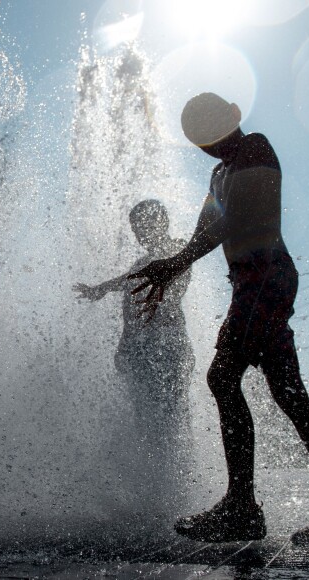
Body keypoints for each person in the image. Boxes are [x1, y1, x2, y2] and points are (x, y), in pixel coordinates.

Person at [128, 92, 309, 544]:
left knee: (223, 378)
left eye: (211, 129)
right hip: (250, 282)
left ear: (233, 116)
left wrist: (177, 263)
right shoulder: (218, 171)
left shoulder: (255, 148)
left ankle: (242, 508)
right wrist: (176, 262)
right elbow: (206, 227)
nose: (208, 144)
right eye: (198, 139)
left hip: (266, 275)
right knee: (290, 396)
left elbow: (237, 217)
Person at [74, 200, 193, 502]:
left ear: (161, 222)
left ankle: (175, 489)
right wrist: (101, 291)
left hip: (167, 347)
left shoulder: (178, 249)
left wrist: (106, 289)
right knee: (144, 416)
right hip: (140, 348)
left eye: (142, 227)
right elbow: (130, 294)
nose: (139, 235)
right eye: (135, 229)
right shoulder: (144, 261)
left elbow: (166, 288)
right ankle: (151, 488)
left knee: (170, 414)